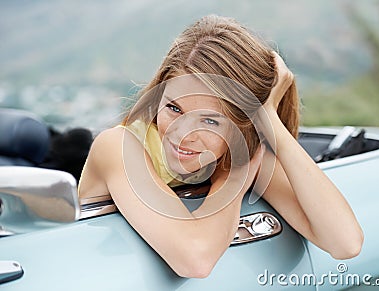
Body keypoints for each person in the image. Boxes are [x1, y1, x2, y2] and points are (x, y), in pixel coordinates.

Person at [78, 15, 363, 278]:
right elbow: (195, 260)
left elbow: (345, 243)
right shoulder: (118, 146)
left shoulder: (232, 151)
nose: (183, 134)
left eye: (211, 121)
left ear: (244, 125)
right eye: (174, 108)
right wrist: (236, 176)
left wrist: (271, 123)